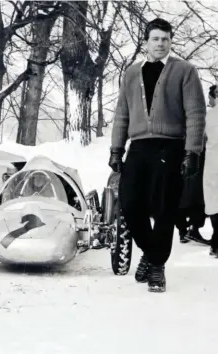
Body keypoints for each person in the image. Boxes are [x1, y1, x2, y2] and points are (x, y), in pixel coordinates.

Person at [108, 18, 206, 292]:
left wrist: (192, 152)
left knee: (164, 209)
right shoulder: (131, 73)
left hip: (170, 147)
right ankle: (152, 255)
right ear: (145, 42)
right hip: (138, 148)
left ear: (170, 41)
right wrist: (117, 149)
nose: (160, 43)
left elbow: (195, 113)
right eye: (155, 39)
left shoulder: (185, 71)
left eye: (165, 39)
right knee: (129, 204)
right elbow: (121, 115)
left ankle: (157, 268)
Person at [203, 84, 218, 257]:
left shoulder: (210, 116)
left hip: (213, 163)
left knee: (214, 201)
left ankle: (216, 244)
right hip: (213, 162)